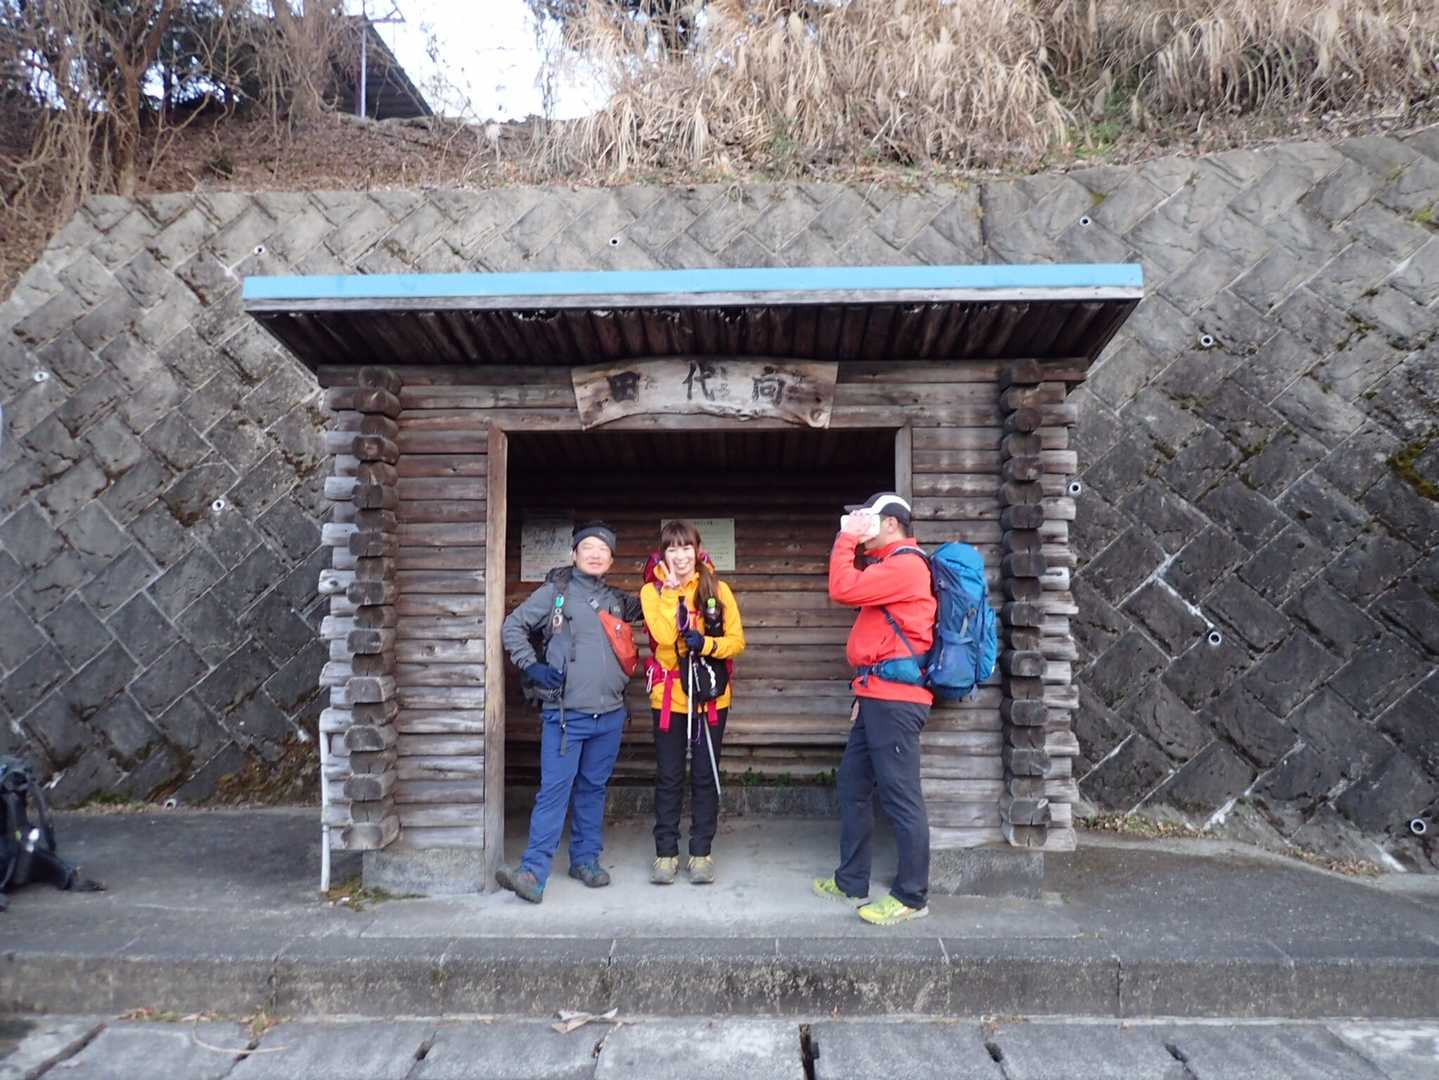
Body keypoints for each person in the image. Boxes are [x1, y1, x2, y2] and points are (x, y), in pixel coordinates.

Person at [495, 521, 641, 904]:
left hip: (610, 715)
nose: (595, 554)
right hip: (565, 715)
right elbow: (513, 627)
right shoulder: (554, 594)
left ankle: (585, 860)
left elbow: (660, 605)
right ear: (574, 554)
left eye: (603, 549)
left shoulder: (617, 600)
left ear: (611, 559)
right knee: (554, 793)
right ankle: (533, 872)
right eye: (587, 547)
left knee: (593, 789)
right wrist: (531, 665)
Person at [813, 492, 937, 926]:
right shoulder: (889, 566)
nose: (861, 526)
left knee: (902, 797)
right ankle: (852, 879)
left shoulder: (906, 565)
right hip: (875, 697)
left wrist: (846, 539)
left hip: (896, 702)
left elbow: (842, 588)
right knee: (853, 785)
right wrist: (862, 698)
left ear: (891, 524)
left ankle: (911, 896)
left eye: (868, 519)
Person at [640, 520, 746, 885]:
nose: (681, 556)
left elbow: (736, 641)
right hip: (669, 697)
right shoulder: (651, 593)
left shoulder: (717, 589)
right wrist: (671, 593)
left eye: (686, 547)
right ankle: (665, 854)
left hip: (710, 697)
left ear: (697, 550)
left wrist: (708, 644)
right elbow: (664, 636)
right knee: (669, 776)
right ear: (663, 554)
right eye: (672, 549)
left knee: (704, 775)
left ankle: (701, 853)